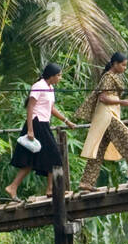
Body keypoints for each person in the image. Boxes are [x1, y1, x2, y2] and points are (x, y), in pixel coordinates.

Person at [76, 52, 128, 191]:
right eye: (122, 65)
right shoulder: (108, 77)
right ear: (114, 64)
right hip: (107, 116)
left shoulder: (111, 77)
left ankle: (86, 182)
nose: (124, 68)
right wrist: (122, 101)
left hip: (107, 116)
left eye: (125, 65)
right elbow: (103, 98)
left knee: (99, 150)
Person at [5, 63, 76, 200]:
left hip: (44, 124)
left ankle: (13, 187)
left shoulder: (50, 88)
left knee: (31, 161)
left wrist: (67, 121)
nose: (60, 78)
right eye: (59, 75)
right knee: (55, 155)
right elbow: (30, 108)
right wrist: (30, 130)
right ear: (52, 75)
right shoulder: (38, 86)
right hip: (36, 124)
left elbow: (51, 109)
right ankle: (50, 189)